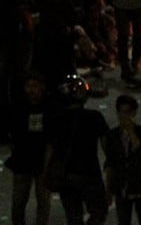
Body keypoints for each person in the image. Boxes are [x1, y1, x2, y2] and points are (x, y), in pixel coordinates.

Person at [48, 75, 109, 225]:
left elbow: (50, 149)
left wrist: (47, 171)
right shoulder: (94, 117)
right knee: (98, 211)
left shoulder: (57, 120)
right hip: (90, 172)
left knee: (73, 216)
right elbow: (107, 147)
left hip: (66, 174)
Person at [102, 94, 141, 225]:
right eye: (121, 112)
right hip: (122, 185)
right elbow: (110, 162)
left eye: (127, 112)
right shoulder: (112, 135)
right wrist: (108, 190)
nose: (123, 116)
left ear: (133, 113)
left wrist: (131, 131)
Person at [7, 74, 52, 225]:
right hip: (23, 160)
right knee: (18, 201)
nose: (31, 90)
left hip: (42, 160)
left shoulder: (48, 107)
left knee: (43, 201)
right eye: (28, 86)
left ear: (41, 87)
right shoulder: (19, 107)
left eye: (35, 86)